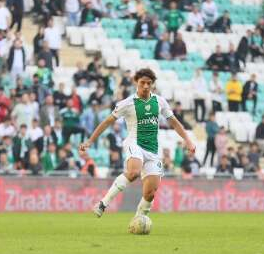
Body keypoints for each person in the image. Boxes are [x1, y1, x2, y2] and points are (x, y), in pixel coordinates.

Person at [80, 68, 194, 225]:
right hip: (135, 143)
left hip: (153, 150)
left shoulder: (160, 102)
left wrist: (188, 140)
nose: (145, 86)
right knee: (133, 172)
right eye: (142, 83)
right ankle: (103, 203)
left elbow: (173, 122)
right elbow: (107, 122)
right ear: (136, 83)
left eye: (149, 83)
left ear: (153, 84)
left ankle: (138, 220)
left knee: (150, 193)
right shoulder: (127, 103)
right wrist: (90, 141)